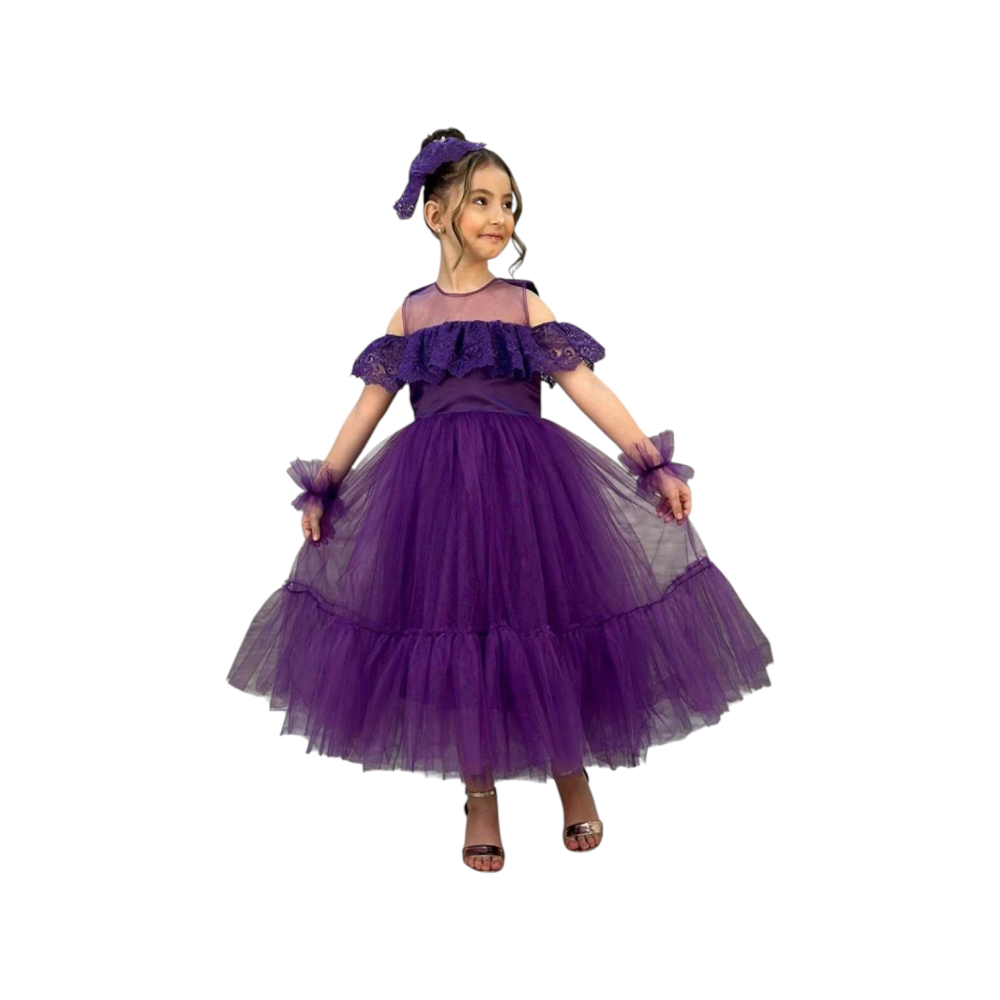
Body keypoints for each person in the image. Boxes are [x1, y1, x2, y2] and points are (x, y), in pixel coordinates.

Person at [227, 128, 774, 874]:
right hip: (434, 500)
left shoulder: (522, 304)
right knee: (460, 633)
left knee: (544, 622)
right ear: (436, 214)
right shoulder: (412, 315)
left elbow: (584, 385)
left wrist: (652, 464)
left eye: (508, 202)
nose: (499, 216)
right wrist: (323, 485)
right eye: (480, 201)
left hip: (529, 493)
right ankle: (478, 793)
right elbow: (367, 408)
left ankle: (571, 774)